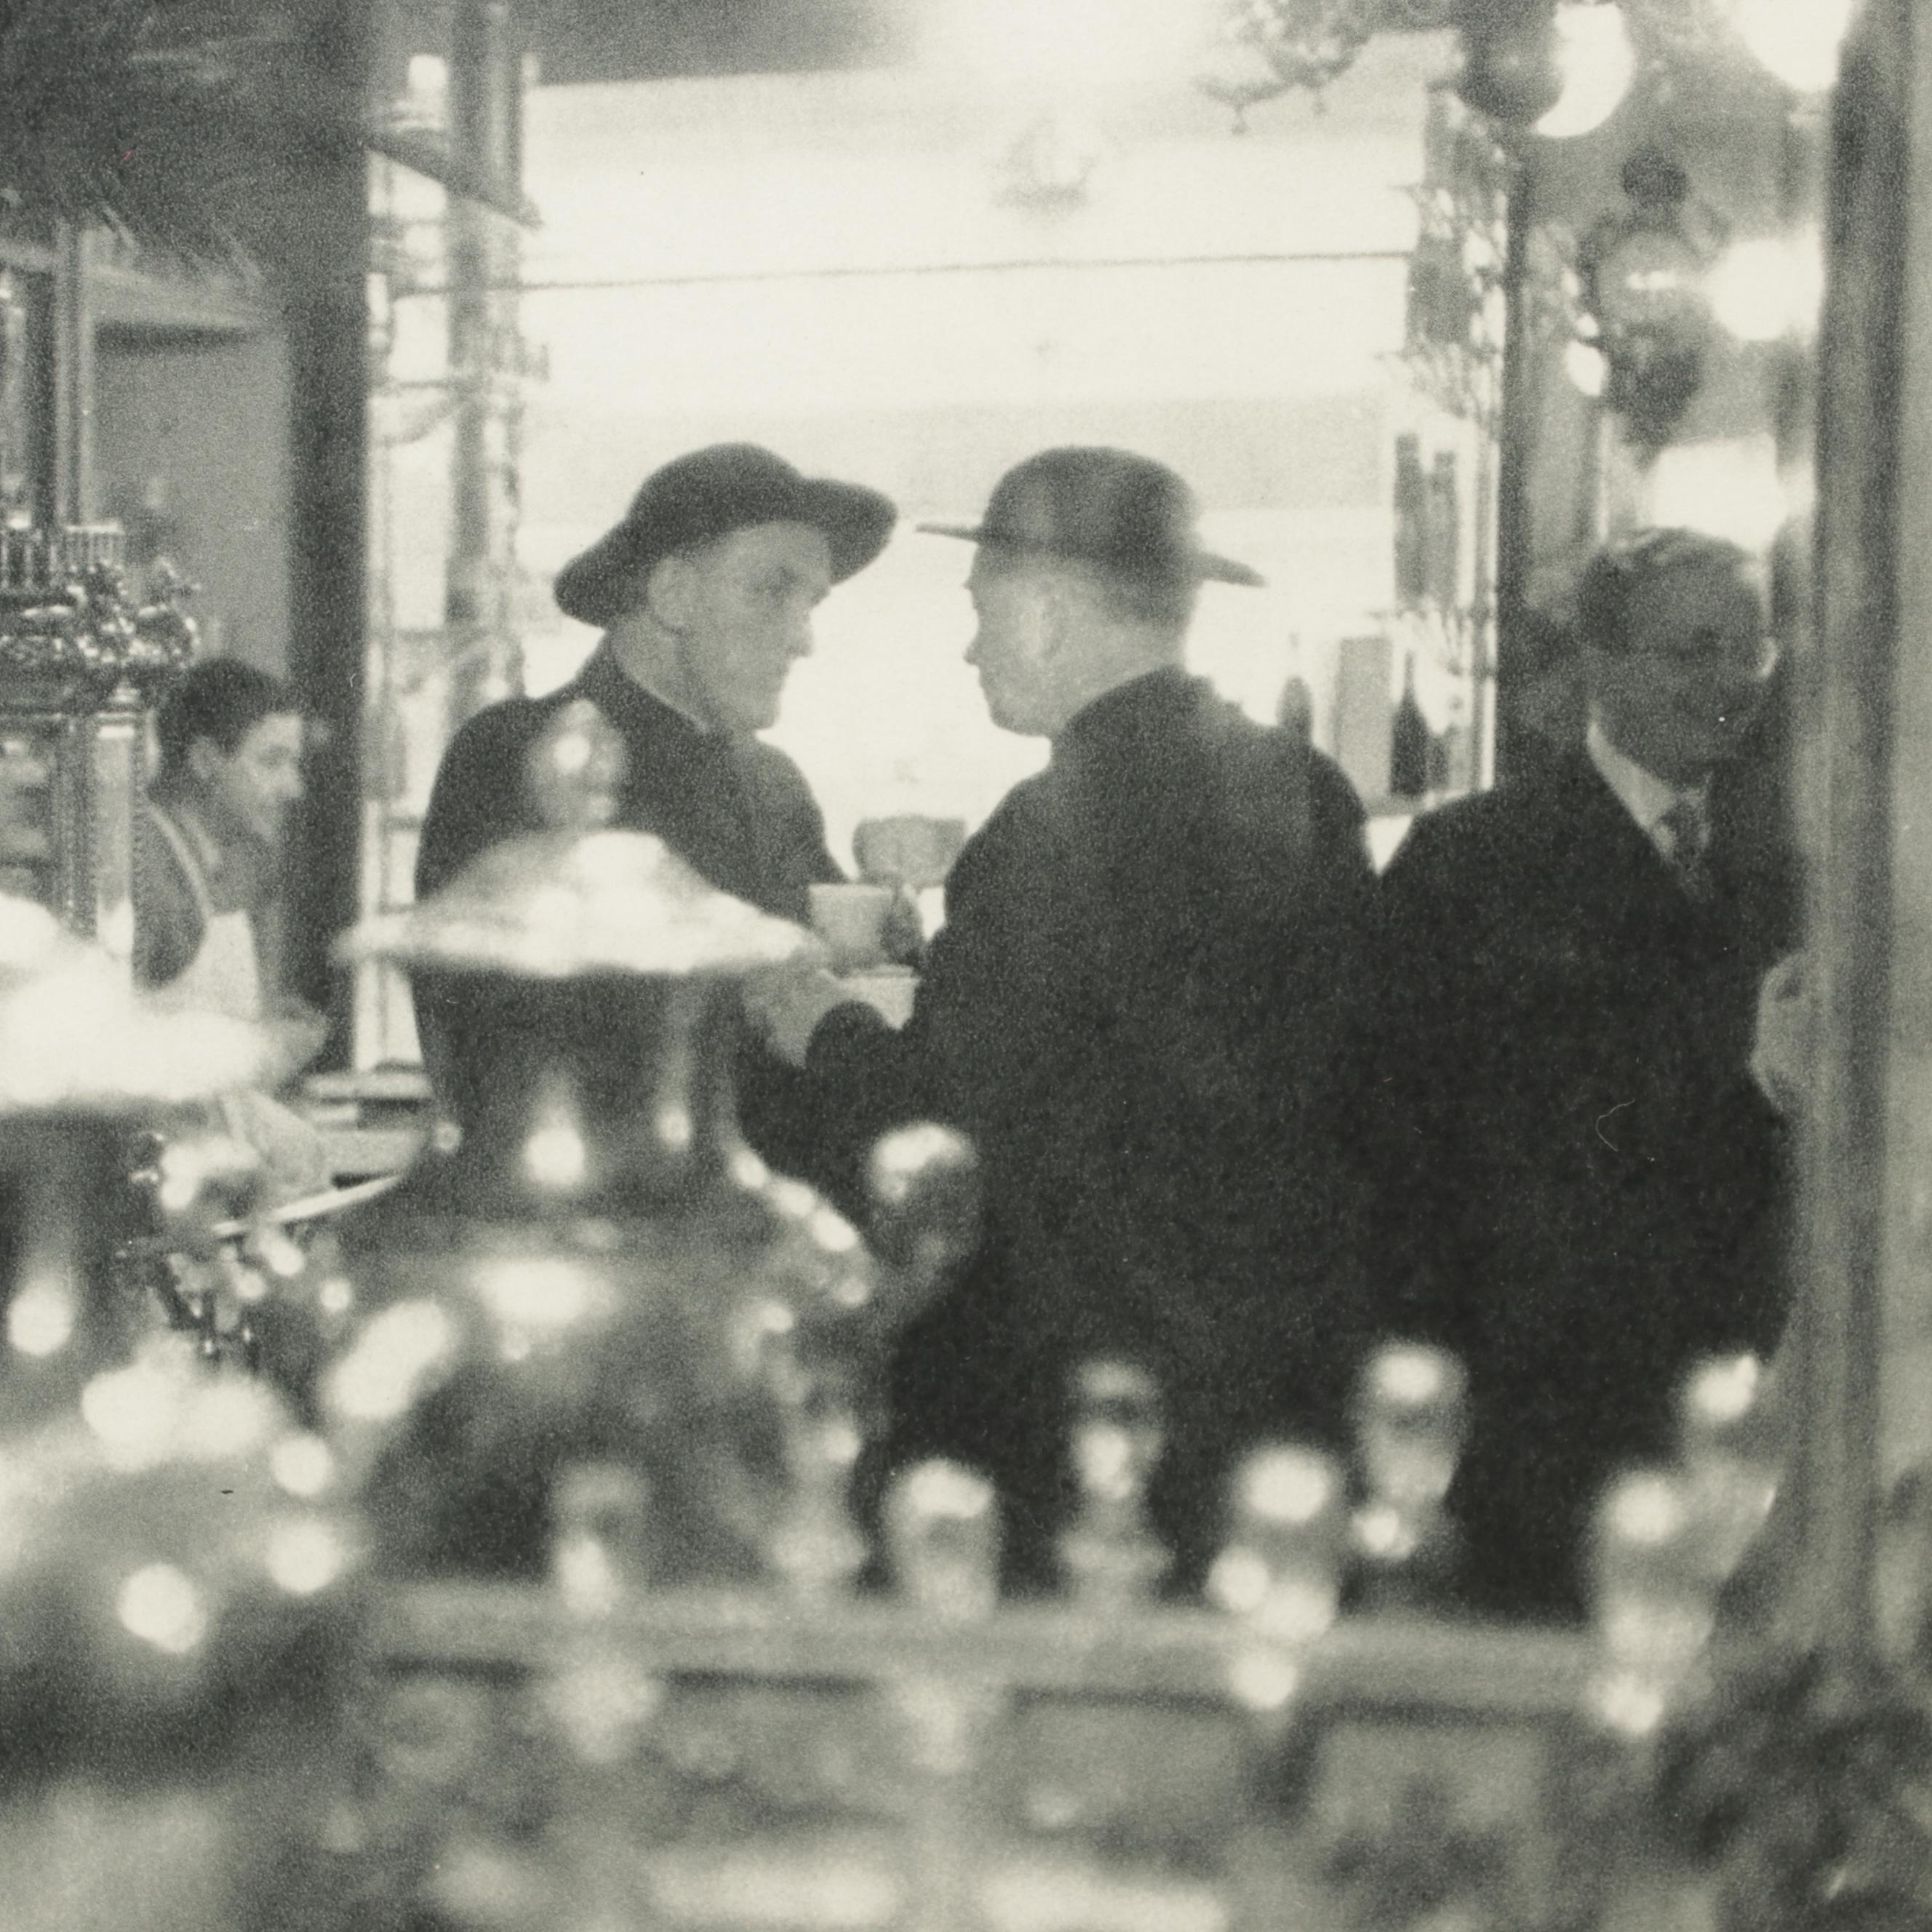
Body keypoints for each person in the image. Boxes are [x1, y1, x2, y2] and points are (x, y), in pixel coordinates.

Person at [747, 447, 1376, 1590]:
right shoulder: (1308, 793)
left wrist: (820, 1024)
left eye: (984, 613)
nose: (974, 645)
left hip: (1074, 1413)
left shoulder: (1045, 837)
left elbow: (942, 1144)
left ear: (1042, 614)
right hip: (1276, 1397)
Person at [1359, 527, 1800, 1620]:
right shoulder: (1477, 864)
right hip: (1545, 1401)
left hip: (1738, 1389)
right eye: (1693, 651)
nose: (1731, 684)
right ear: (1601, 665)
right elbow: (1432, 1157)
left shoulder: (1788, 878)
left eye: (1749, 651)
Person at [412, 443, 896, 1152]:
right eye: (771, 590)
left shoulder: (775, 784)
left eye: (810, 602)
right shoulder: (522, 755)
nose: (803, 638)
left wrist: (889, 906)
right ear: (672, 594)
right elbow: (501, 1044)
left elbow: (836, 986)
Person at [136, 656, 330, 1197]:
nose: (293, 787)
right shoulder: (149, 865)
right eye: (271, 761)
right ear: (204, 759)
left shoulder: (217, 863)